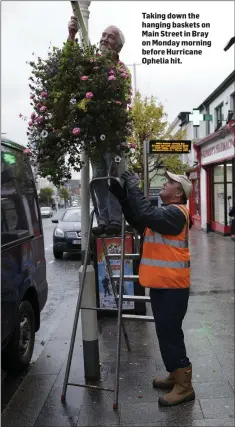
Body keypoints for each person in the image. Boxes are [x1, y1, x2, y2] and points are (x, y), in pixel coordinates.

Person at [109, 170, 195, 407]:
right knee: (165, 334)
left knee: (171, 335)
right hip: (162, 284)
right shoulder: (163, 216)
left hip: (173, 287)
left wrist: (134, 185)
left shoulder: (176, 214)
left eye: (168, 183)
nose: (163, 184)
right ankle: (174, 375)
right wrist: (124, 199)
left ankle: (185, 386)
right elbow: (140, 219)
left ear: (178, 192)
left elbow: (145, 212)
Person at [68, 17, 126, 235]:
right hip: (94, 133)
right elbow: (73, 66)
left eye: (109, 36)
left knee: (113, 174)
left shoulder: (119, 71)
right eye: (103, 35)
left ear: (117, 45)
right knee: (98, 177)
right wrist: (72, 36)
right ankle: (103, 219)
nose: (103, 39)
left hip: (112, 133)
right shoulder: (92, 64)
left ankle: (114, 219)